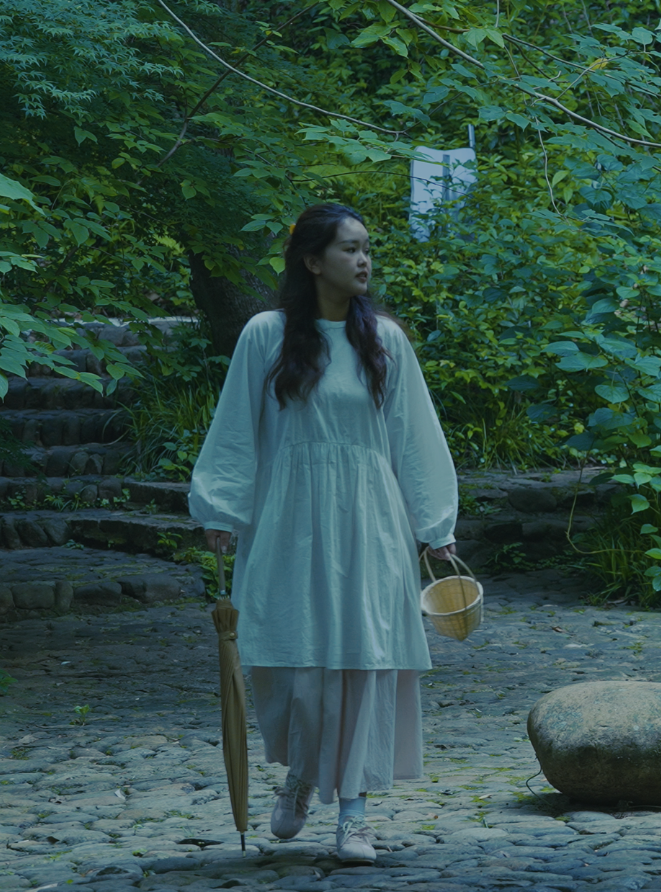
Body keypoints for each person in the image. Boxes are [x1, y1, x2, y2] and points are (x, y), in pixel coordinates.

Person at [188, 203, 460, 864]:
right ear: (312, 260)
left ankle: (356, 814)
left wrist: (434, 527)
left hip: (369, 519)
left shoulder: (385, 341)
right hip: (289, 520)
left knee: (364, 663)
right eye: (349, 249)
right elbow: (235, 428)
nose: (363, 260)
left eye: (367, 249)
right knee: (295, 664)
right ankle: (303, 773)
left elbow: (414, 439)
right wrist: (221, 508)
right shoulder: (266, 335)